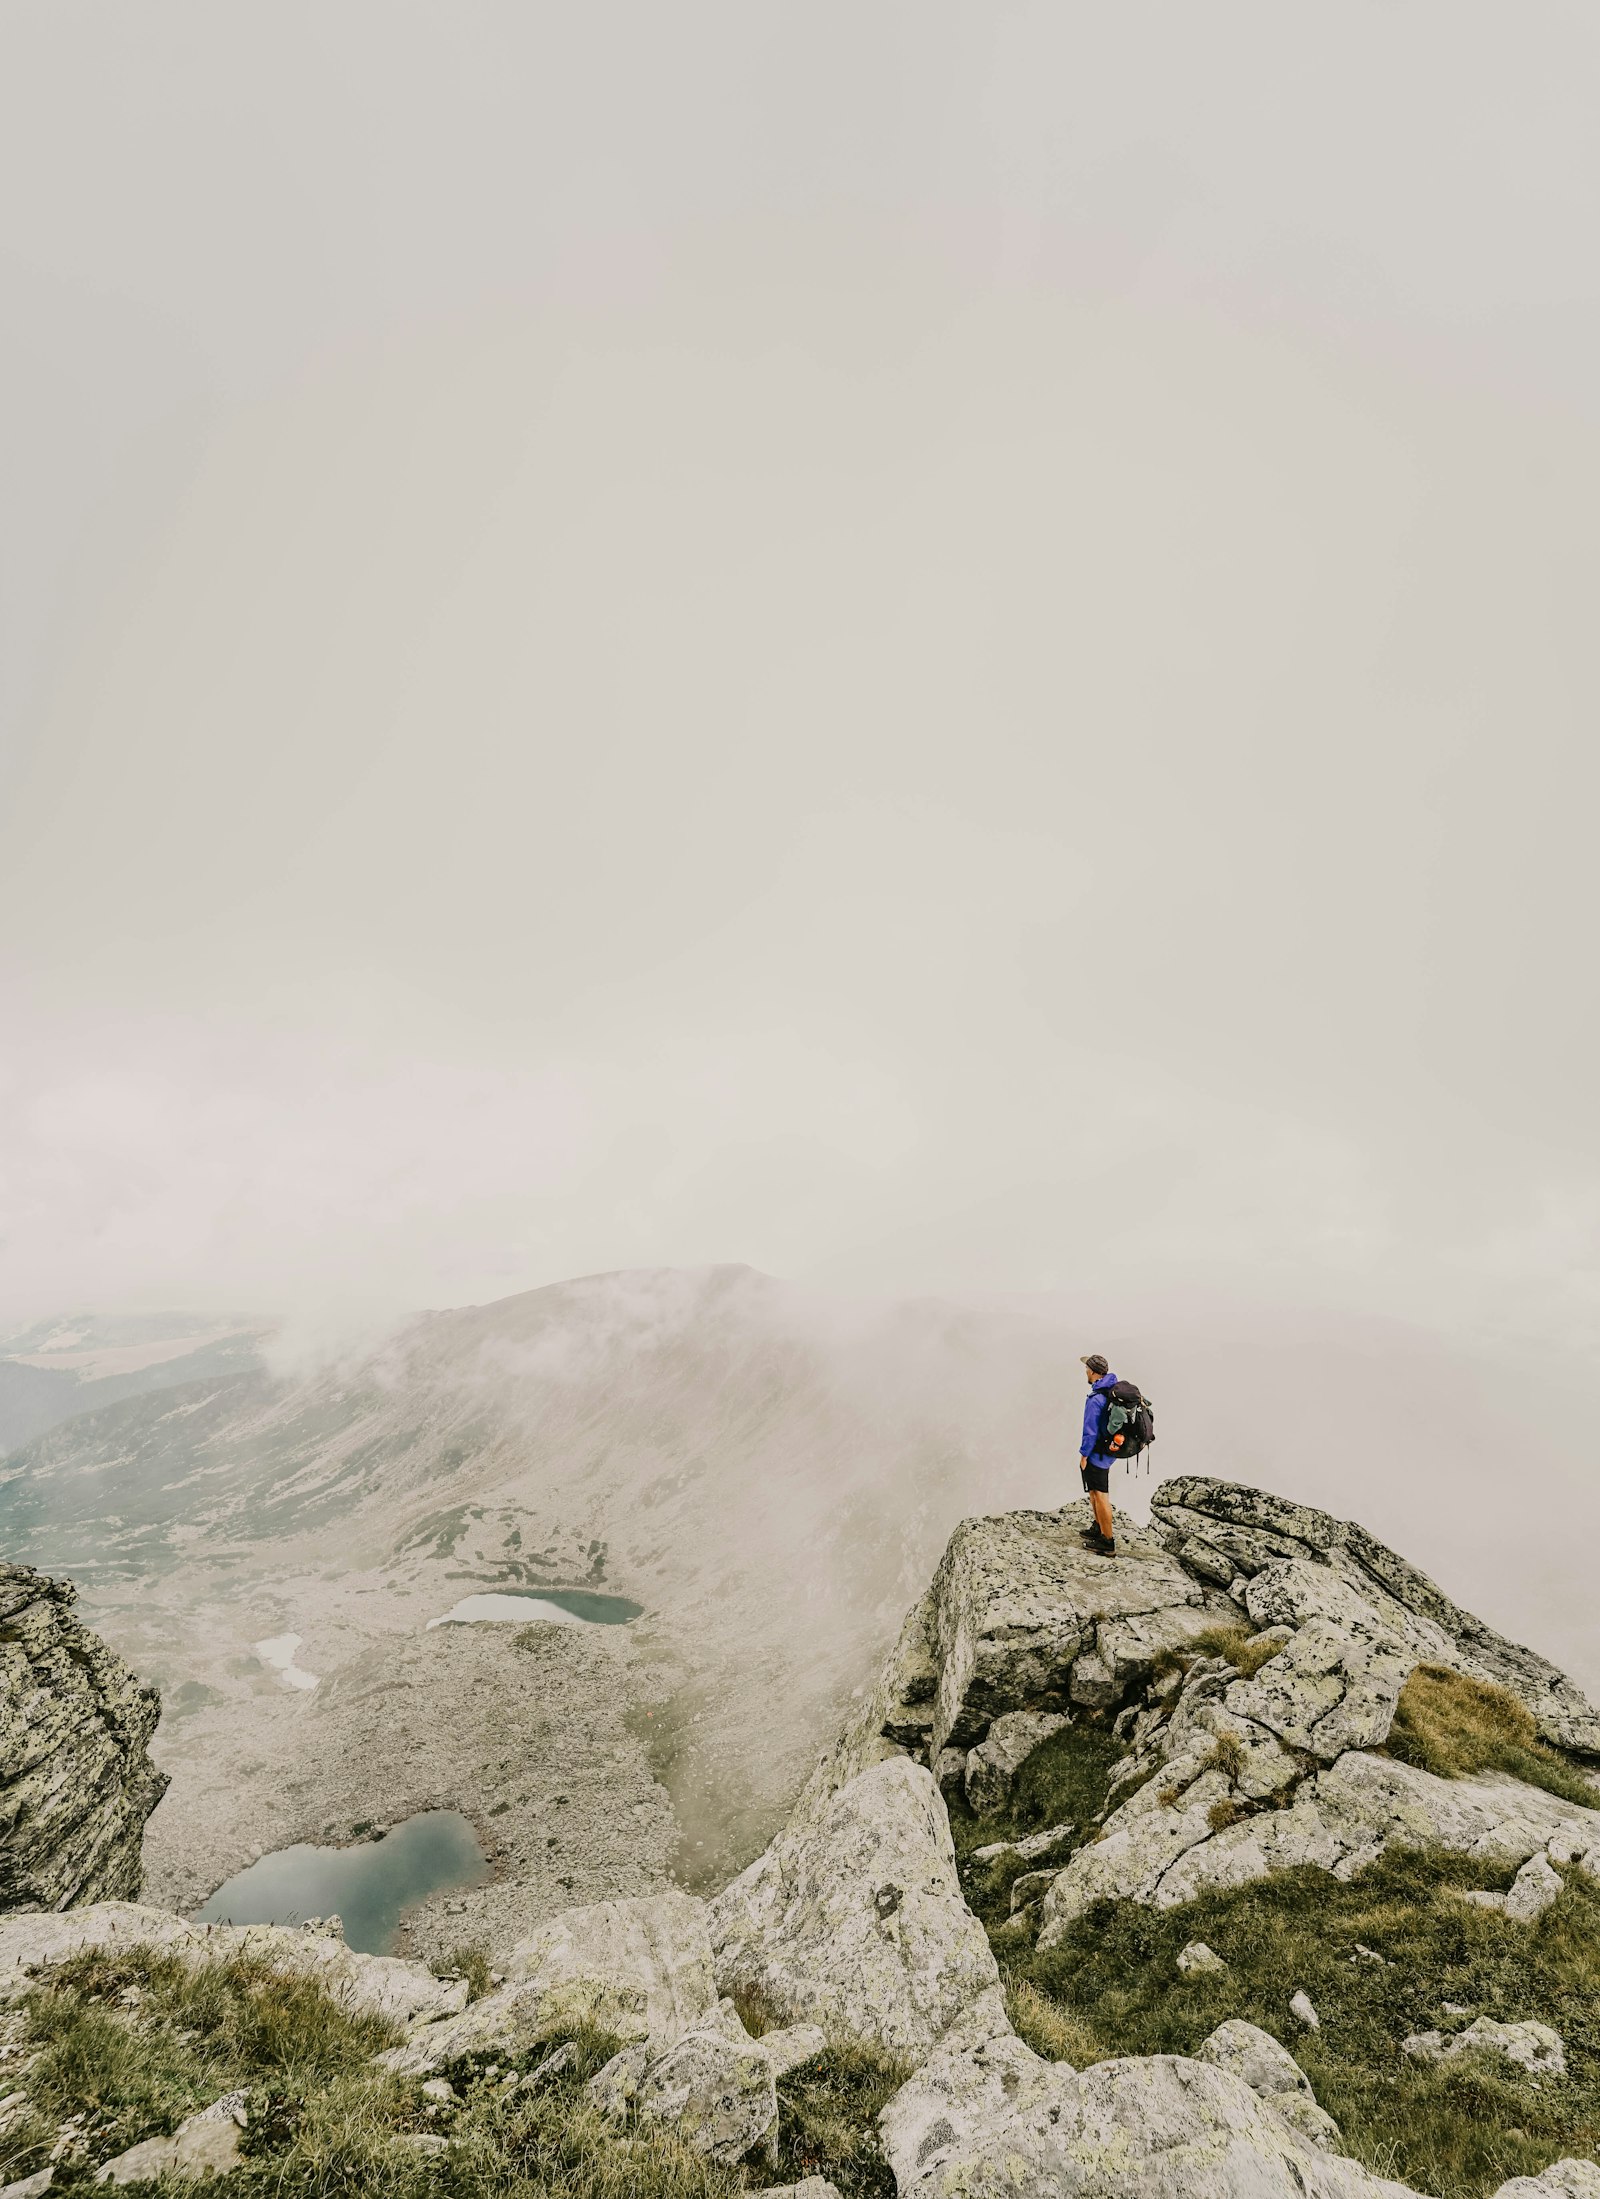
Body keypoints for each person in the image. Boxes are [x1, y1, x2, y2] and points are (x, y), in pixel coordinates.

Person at [1078, 1352, 1119, 1556]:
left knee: (1100, 1494)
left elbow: (1090, 1430)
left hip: (1097, 1452)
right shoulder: (1110, 1389)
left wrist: (1084, 1454)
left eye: (1087, 1368)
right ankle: (1098, 1527)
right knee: (1094, 1490)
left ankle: (1107, 1541)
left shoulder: (1096, 1398)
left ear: (1093, 1372)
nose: (1085, 1371)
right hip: (1107, 1450)